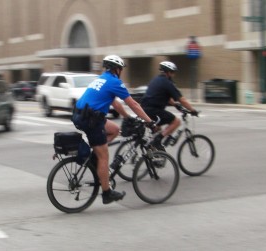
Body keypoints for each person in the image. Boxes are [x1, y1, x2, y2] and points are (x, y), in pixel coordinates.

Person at [72, 55, 153, 205]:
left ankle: (96, 154)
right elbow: (134, 104)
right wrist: (150, 122)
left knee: (115, 129)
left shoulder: (101, 79)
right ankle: (107, 193)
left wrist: (127, 117)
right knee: (104, 157)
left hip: (82, 115)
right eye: (121, 69)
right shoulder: (114, 82)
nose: (121, 71)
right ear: (117, 69)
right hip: (90, 120)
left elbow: (115, 103)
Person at [141, 61, 198, 150]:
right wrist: (192, 110)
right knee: (176, 121)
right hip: (154, 110)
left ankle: (153, 153)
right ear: (169, 72)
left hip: (144, 109)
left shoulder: (155, 79)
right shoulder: (167, 83)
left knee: (157, 129)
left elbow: (165, 96)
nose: (173, 75)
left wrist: (175, 105)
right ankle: (158, 141)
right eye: (173, 73)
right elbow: (182, 99)